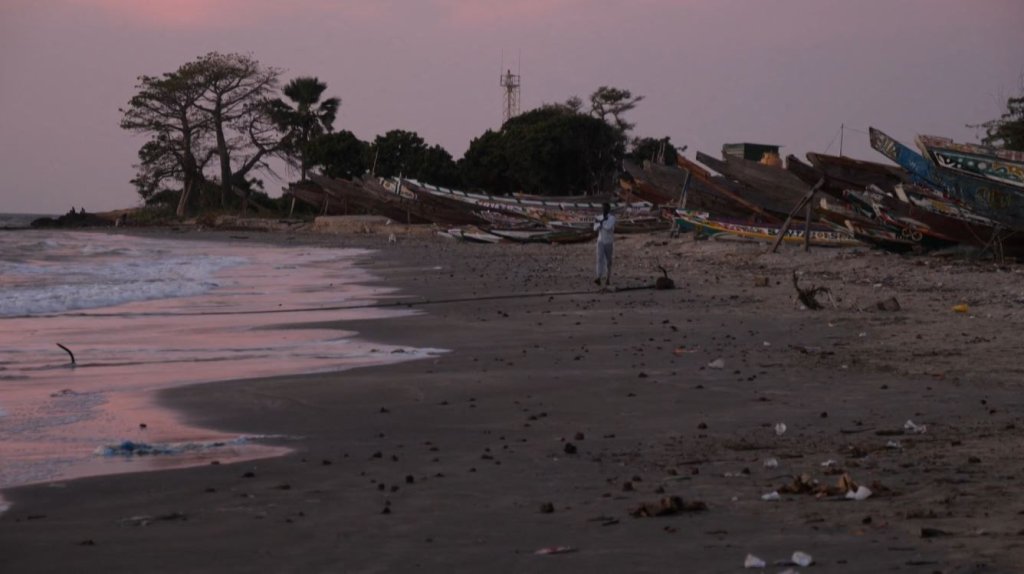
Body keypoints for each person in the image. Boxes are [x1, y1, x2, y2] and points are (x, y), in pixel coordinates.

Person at [593, 202, 617, 286]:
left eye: (605, 208)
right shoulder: (599, 217)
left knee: (608, 261)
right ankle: (599, 277)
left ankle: (608, 278)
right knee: (599, 259)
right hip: (600, 241)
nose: (604, 210)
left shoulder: (612, 218)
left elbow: (608, 227)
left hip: (608, 241)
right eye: (603, 208)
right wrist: (601, 222)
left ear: (608, 209)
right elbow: (595, 228)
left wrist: (600, 222)